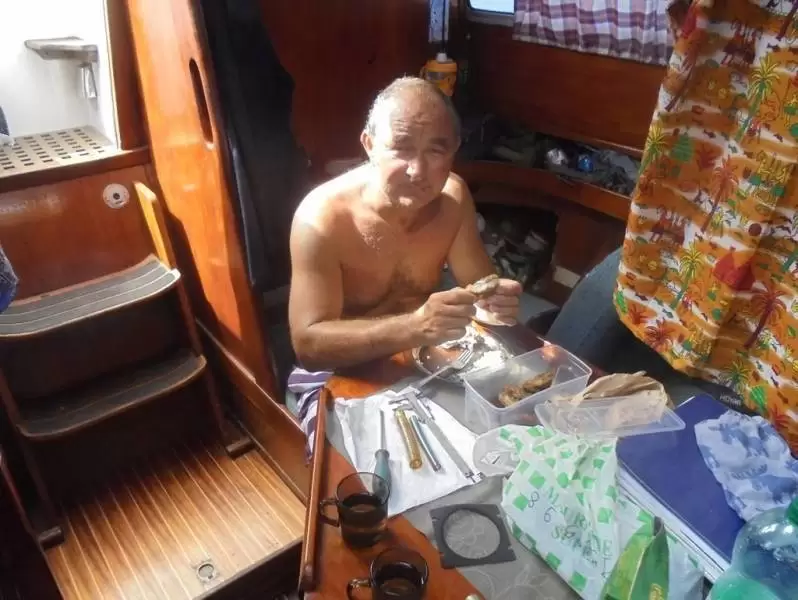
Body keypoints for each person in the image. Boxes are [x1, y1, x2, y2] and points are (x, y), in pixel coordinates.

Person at [286, 76, 522, 452]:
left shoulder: (453, 199)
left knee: (504, 441)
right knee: (370, 478)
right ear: (369, 145)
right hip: (343, 373)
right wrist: (416, 326)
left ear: (454, 150)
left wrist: (497, 300)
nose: (417, 171)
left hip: (425, 360)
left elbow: (480, 284)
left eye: (436, 150)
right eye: (401, 148)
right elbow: (309, 346)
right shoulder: (321, 219)